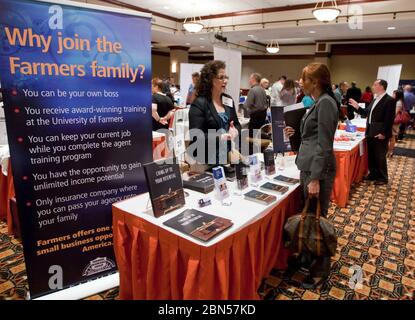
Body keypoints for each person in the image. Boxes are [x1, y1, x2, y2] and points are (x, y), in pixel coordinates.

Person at [284, 62, 339, 288]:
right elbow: (311, 137)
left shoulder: (325, 103)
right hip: (309, 167)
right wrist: (294, 134)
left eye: (303, 78)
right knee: (309, 217)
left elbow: (324, 145)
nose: (300, 81)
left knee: (318, 220)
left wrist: (315, 177)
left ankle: (319, 273)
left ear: (315, 82)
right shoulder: (319, 102)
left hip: (318, 171)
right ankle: (307, 258)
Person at [188, 60, 241, 166]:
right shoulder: (199, 103)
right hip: (205, 159)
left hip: (226, 155)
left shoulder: (228, 99)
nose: (225, 81)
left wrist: (235, 130)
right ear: (210, 80)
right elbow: (196, 136)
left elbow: (236, 123)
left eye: (226, 77)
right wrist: (220, 137)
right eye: (221, 77)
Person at [349, 79, 396, 185]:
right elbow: (366, 113)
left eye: (375, 84)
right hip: (370, 130)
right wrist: (357, 106)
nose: (373, 86)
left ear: (382, 87)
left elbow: (389, 119)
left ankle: (383, 177)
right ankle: (373, 174)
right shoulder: (375, 99)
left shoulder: (389, 100)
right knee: (372, 155)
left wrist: (384, 133)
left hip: (380, 132)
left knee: (380, 156)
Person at [243, 73, 268, 153]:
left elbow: (247, 104)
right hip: (262, 116)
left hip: (255, 116)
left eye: (250, 78)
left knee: (251, 137)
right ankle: (258, 152)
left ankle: (252, 154)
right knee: (258, 135)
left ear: (253, 79)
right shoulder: (263, 90)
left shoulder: (252, 90)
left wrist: (244, 106)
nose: (249, 80)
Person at [388, 90, 404, 157]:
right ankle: (389, 151)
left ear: (397, 95)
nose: (392, 95)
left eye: (394, 94)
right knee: (391, 136)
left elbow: (395, 113)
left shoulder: (398, 103)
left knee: (392, 136)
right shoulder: (398, 102)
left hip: (394, 122)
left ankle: (390, 151)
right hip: (393, 121)